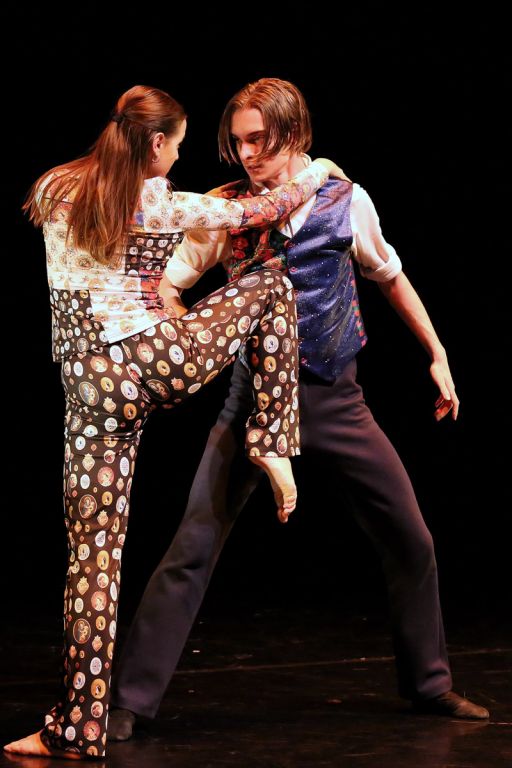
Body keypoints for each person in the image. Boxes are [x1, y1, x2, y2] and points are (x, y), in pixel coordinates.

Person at [106, 78, 489, 743]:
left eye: (260, 139)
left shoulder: (346, 201)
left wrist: (437, 352)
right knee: (192, 546)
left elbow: (389, 275)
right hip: (252, 402)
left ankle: (429, 683)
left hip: (336, 398)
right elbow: (168, 283)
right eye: (239, 142)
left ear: (294, 134)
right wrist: (192, 342)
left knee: (411, 538)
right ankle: (128, 702)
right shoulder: (226, 209)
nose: (247, 153)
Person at [3, 84, 345, 760]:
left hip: (89, 391)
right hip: (155, 363)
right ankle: (273, 439)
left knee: (92, 559)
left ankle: (78, 725)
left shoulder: (52, 188)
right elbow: (264, 208)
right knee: (270, 284)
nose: (180, 157)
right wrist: (320, 172)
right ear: (156, 142)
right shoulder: (158, 200)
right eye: (179, 145)